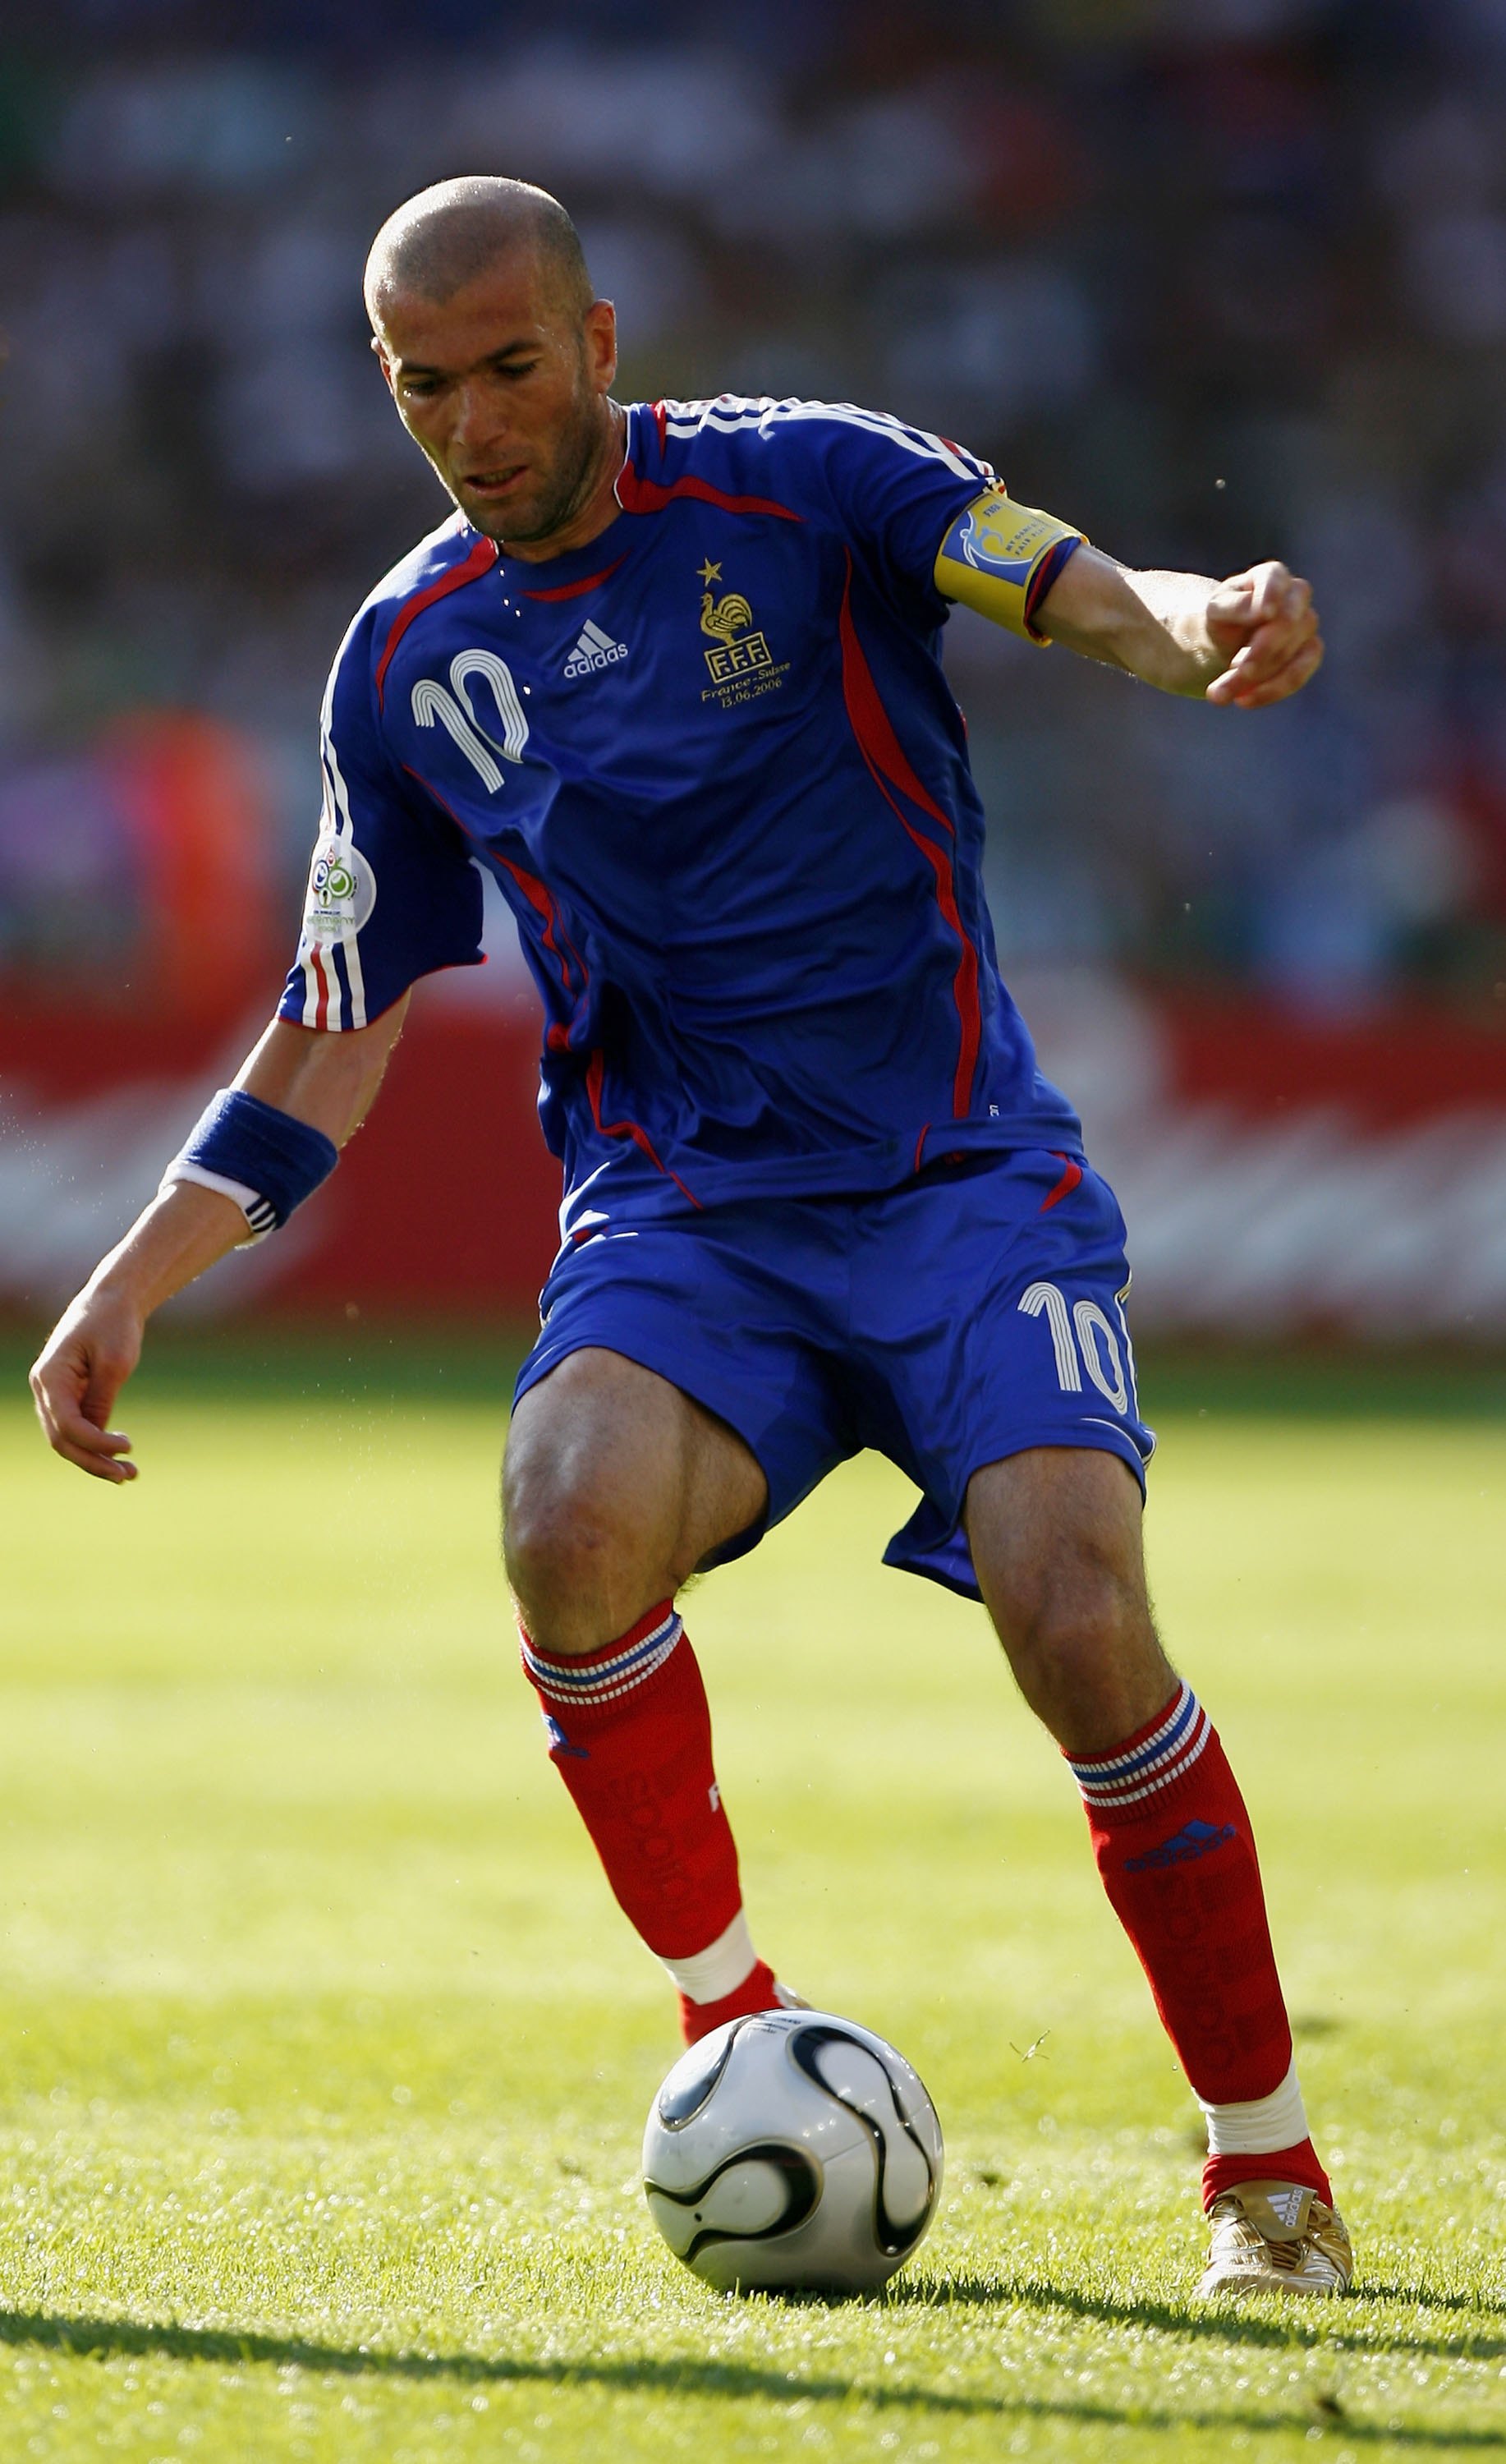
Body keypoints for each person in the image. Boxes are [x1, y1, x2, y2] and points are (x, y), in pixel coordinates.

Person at [30, 177, 1345, 2301]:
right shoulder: (408, 659)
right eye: (421, 387)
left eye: (509, 369)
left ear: (601, 342)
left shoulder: (804, 484)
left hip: (952, 1181)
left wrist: (1199, 622)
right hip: (687, 1218)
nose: (471, 421)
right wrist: (132, 1276)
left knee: (1074, 1611)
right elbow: (338, 1010)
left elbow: (1062, 582)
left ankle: (1261, 2172)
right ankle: (733, 2034)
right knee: (562, 1520)